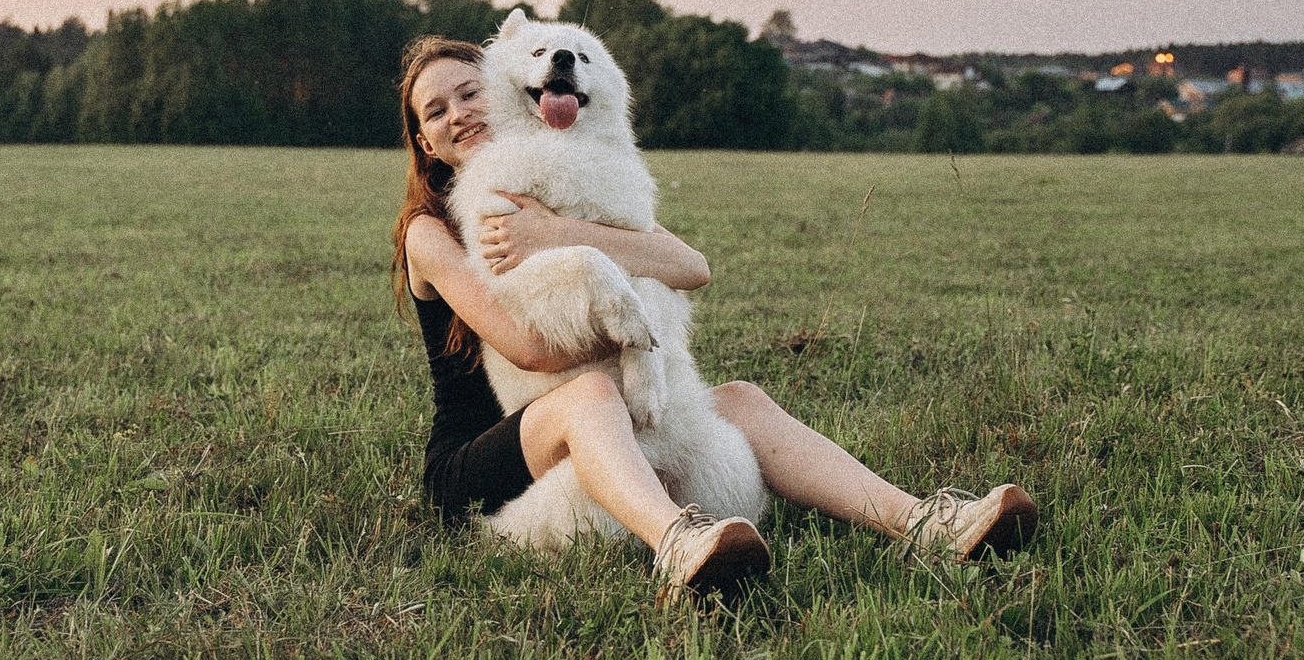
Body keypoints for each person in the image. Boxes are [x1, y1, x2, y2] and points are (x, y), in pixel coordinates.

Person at [395, 36, 1038, 600]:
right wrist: (626, 330)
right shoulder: (429, 232)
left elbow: (687, 263)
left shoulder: (547, 185)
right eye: (436, 110)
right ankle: (677, 544)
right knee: (588, 390)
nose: (460, 114)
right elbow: (531, 349)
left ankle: (928, 525)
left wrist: (556, 230)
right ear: (424, 140)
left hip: (585, 421)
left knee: (739, 399)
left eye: (470, 92)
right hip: (480, 465)